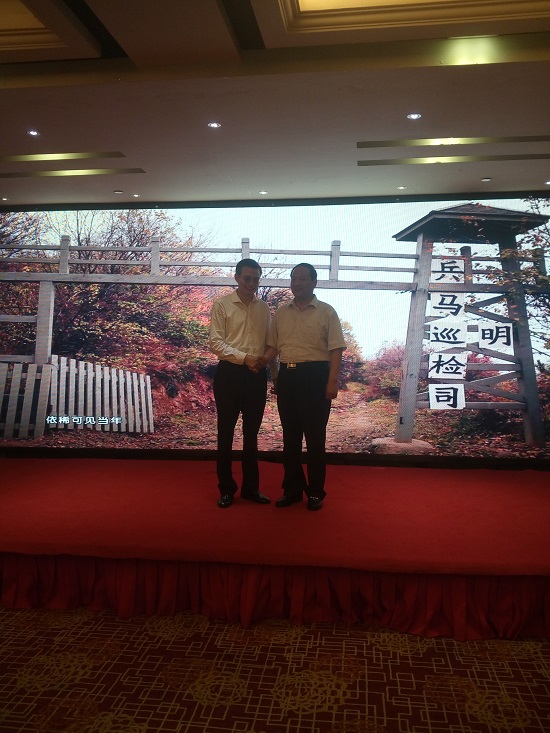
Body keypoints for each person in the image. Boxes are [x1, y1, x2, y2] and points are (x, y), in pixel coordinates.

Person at [261, 263, 346, 511]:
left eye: (302, 279)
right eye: (293, 278)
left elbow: (336, 349)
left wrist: (332, 381)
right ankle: (292, 490)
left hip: (316, 376)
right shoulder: (281, 313)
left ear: (314, 282)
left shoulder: (326, 312)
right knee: (290, 438)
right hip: (288, 376)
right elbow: (273, 347)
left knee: (315, 438)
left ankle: (316, 492)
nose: (296, 283)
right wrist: (261, 365)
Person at [209, 258, 274, 508]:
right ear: (236, 277)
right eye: (247, 278)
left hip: (256, 375)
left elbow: (270, 343)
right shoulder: (222, 305)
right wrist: (244, 358)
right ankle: (226, 489)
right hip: (229, 374)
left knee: (251, 435)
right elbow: (216, 343)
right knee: (225, 433)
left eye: (256, 279)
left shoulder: (263, 308)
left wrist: (273, 373)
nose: (251, 283)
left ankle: (251, 489)